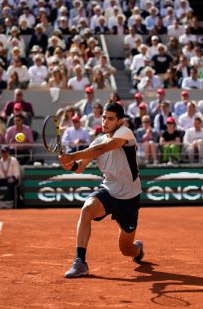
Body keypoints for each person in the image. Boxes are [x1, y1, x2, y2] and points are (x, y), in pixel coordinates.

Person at [58, 102, 144, 278]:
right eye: (104, 117)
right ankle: (80, 262)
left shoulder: (125, 133)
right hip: (108, 190)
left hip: (129, 197)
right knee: (87, 208)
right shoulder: (97, 140)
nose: (105, 121)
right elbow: (80, 167)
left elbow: (103, 148)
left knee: (126, 249)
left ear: (120, 121)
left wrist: (72, 155)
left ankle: (138, 250)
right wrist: (71, 165)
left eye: (110, 119)